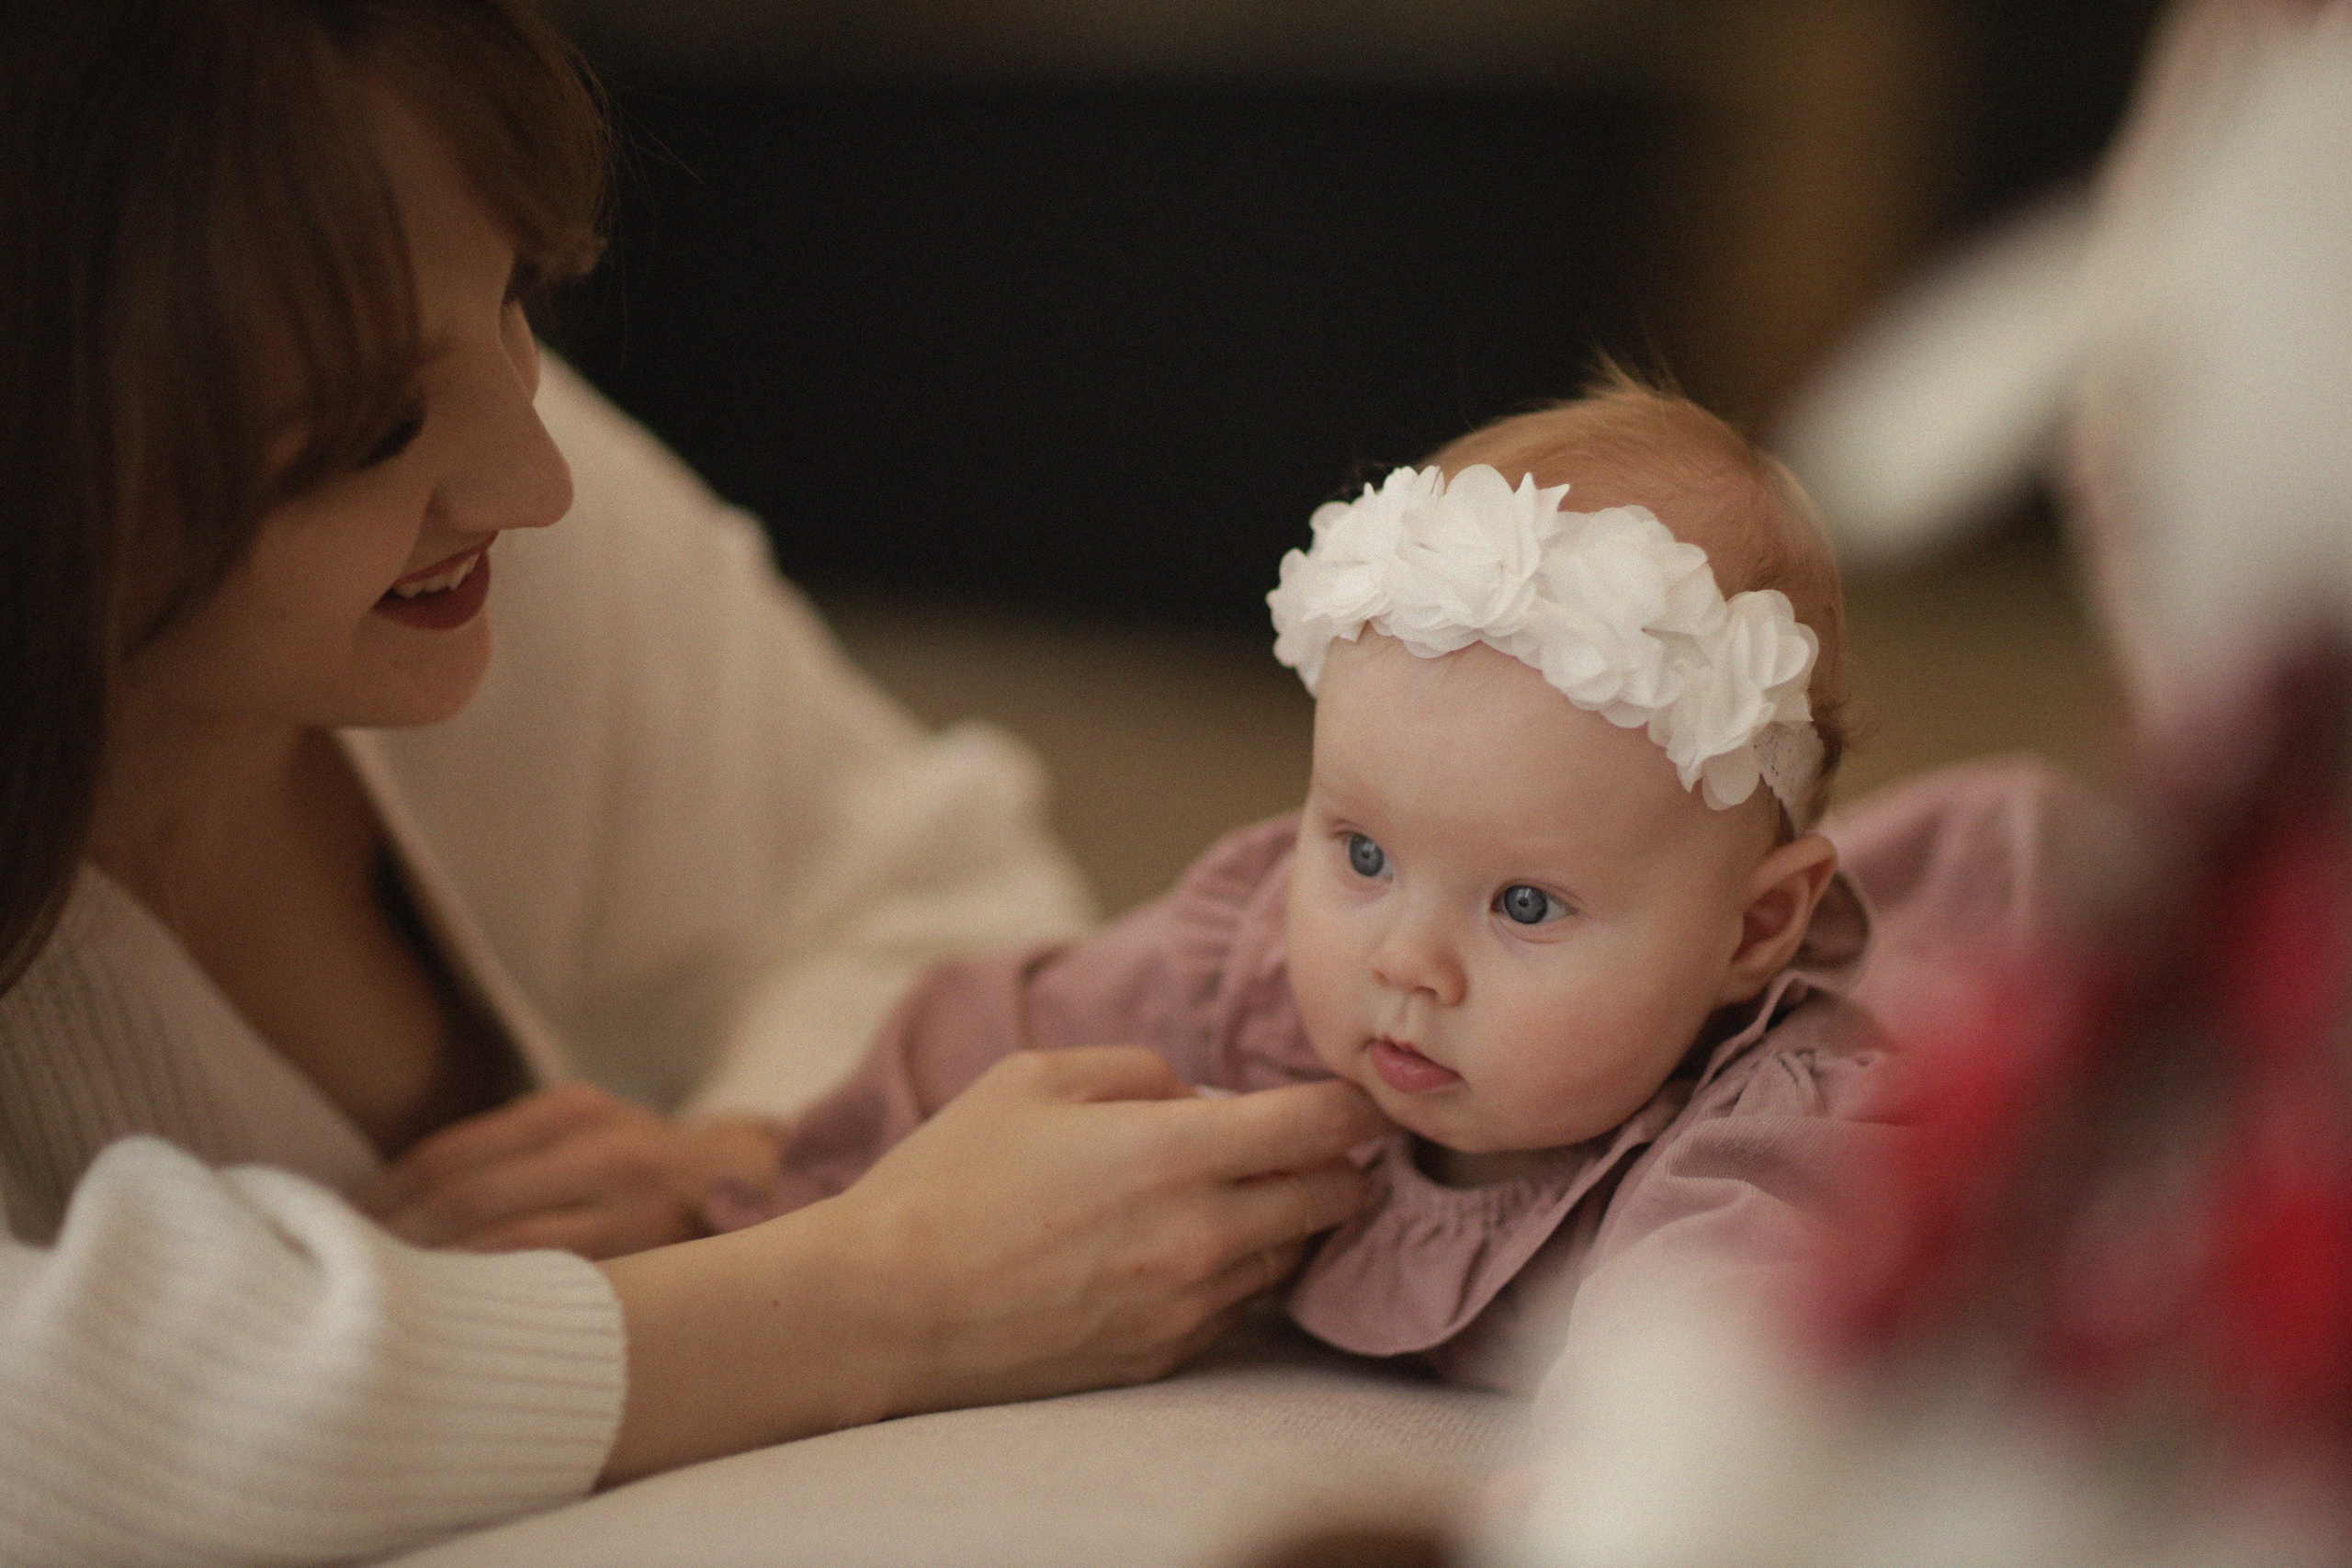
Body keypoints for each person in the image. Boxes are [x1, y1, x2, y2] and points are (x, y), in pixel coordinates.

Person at [0, 3, 1384, 1562]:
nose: (538, 480)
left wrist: (742, 1168)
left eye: (516, 297)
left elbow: (926, 879)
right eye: (375, 432)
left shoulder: (480, 506)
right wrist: (871, 1289)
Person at [718, 380, 1894, 1392]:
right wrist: (772, 1186)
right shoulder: (1256, 967)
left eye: (1524, 905)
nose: (1403, 963)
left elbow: (1721, 1355)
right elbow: (991, 1043)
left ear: (1756, 926)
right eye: (1364, 854)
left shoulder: (1755, 1140)